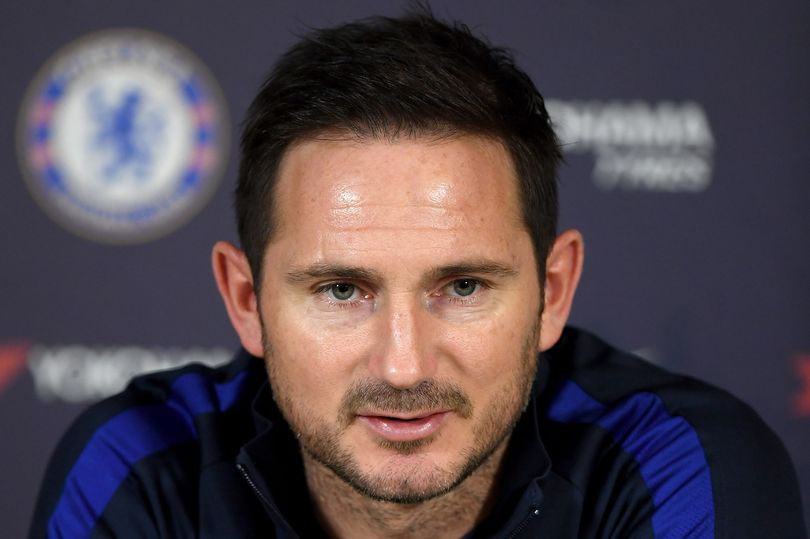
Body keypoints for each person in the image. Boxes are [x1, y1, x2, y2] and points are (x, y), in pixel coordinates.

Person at [30, 10, 805, 539]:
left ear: (554, 291)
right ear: (245, 299)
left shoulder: (682, 463)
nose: (404, 365)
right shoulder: (141, 466)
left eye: (463, 287)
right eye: (342, 290)